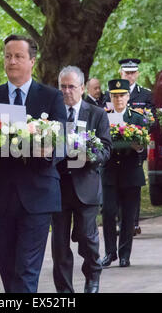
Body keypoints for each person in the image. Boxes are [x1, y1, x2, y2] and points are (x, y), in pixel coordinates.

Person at [0, 34, 67, 293]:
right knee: (8, 270)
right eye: (7, 56)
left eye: (18, 56)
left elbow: (61, 144)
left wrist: (45, 150)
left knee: (26, 271)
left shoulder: (51, 97)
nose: (11, 61)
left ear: (32, 61)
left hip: (37, 197)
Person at [51, 66, 112, 293]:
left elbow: (106, 149)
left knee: (88, 239)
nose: (67, 92)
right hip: (57, 187)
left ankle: (92, 278)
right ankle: (64, 291)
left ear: (82, 88)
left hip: (86, 186)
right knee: (59, 244)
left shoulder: (96, 113)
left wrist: (90, 155)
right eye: (63, 87)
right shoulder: (52, 115)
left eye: (71, 87)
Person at [101, 79, 147, 268]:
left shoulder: (137, 117)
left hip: (130, 172)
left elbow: (144, 146)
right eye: (115, 95)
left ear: (128, 96)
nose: (118, 99)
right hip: (110, 172)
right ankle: (110, 252)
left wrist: (138, 148)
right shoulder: (103, 116)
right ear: (110, 97)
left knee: (128, 216)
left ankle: (125, 254)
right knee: (108, 213)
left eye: (121, 95)